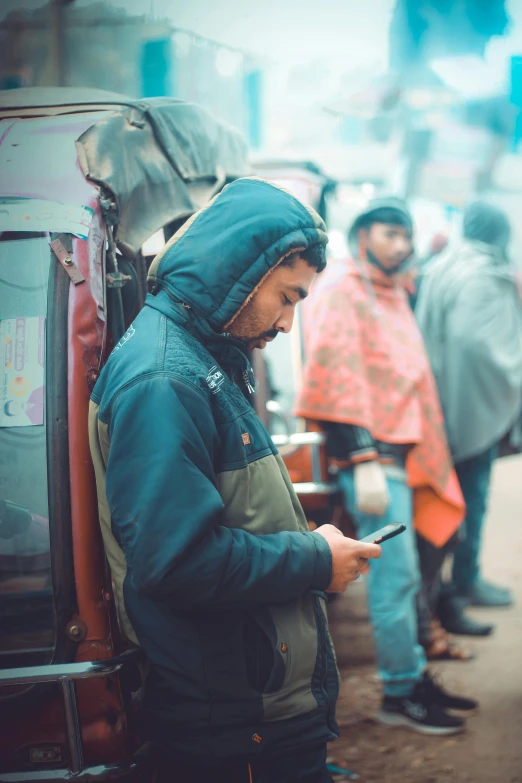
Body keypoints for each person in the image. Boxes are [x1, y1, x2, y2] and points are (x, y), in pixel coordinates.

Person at [88, 177, 382, 783]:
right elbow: (178, 563)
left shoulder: (201, 357)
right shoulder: (165, 380)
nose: (287, 323)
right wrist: (314, 561)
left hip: (250, 704)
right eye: (287, 297)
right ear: (243, 273)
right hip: (234, 720)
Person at [296, 197, 477, 735]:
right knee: (393, 579)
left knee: (412, 574)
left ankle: (412, 677)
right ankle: (400, 692)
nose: (400, 244)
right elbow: (335, 373)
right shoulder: (345, 290)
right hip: (375, 458)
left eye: (406, 235)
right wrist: (363, 457)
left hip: (406, 451)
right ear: (363, 234)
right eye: (389, 233)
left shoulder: (392, 291)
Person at [416, 201, 522, 632]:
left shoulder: (446, 264)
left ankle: (450, 589)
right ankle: (462, 585)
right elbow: (480, 346)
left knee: (449, 502)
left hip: (441, 401)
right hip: (466, 406)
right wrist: (515, 367)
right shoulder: (482, 275)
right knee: (469, 501)